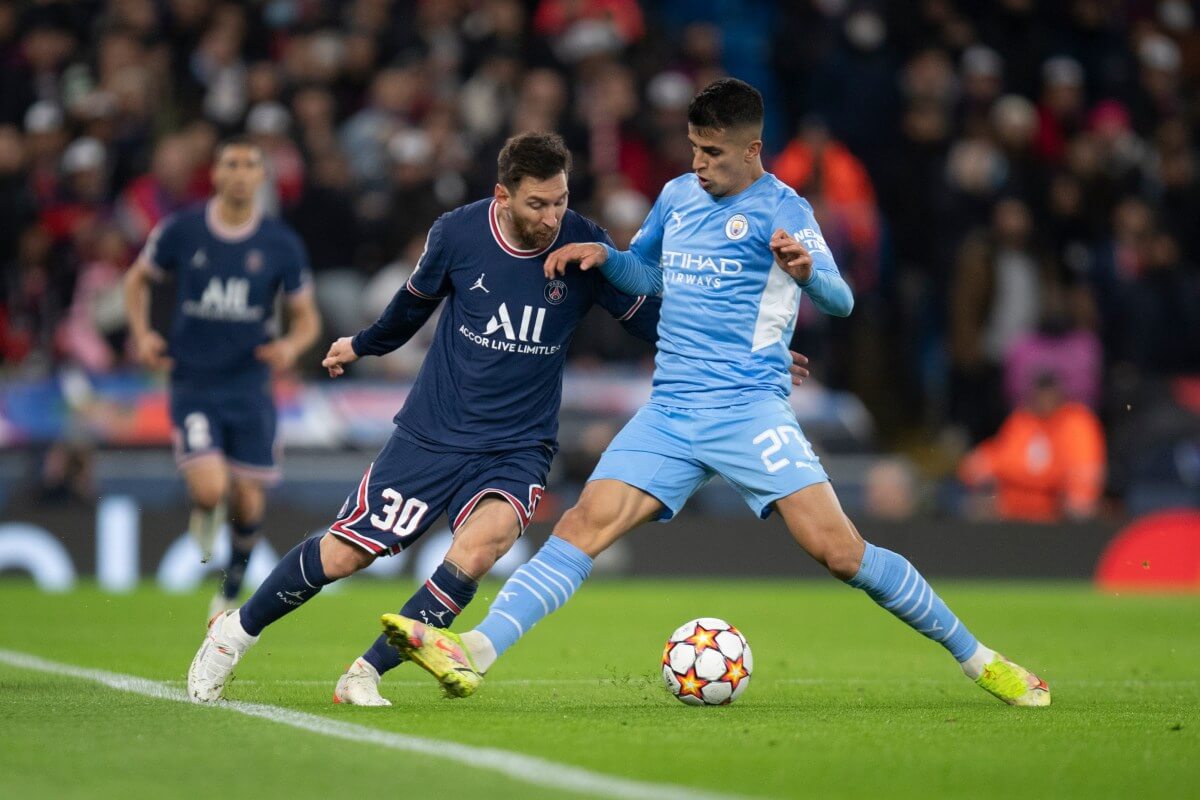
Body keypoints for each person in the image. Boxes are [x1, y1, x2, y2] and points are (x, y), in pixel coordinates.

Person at [386, 79, 1051, 708]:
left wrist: (807, 270)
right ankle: (475, 649)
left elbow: (843, 300)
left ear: (751, 149)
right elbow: (645, 271)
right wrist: (604, 259)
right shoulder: (677, 197)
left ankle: (979, 659)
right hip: (671, 411)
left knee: (841, 552)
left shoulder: (786, 209)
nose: (699, 163)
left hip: (748, 410)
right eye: (693, 148)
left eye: (713, 152)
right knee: (582, 526)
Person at [184, 132, 810, 705]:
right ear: (503, 195)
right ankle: (233, 632)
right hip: (433, 434)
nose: (552, 218)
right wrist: (364, 343)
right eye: (538, 204)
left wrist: (754, 353)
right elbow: (413, 303)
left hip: (518, 445)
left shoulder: (583, 242)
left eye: (561, 201)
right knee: (346, 555)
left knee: (480, 550)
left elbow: (653, 321)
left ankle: (364, 674)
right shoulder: (457, 233)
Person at [124, 136, 321, 620]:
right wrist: (143, 333)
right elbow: (136, 280)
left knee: (250, 496)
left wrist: (290, 347)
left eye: (249, 165)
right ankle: (203, 504)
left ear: (261, 177)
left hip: (250, 384)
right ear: (214, 173)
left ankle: (230, 590)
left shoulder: (280, 243)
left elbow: (307, 318)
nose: (239, 172)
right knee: (213, 488)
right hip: (193, 379)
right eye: (230, 163)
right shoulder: (182, 230)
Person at [959, 371, 1106, 522]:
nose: (1045, 400)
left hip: (1057, 506)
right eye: (1040, 394)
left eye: (1049, 394)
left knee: (1080, 506)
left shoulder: (1076, 421)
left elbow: (1083, 474)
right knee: (972, 502)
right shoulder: (1021, 421)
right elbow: (988, 461)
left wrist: (1034, 477)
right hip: (1014, 503)